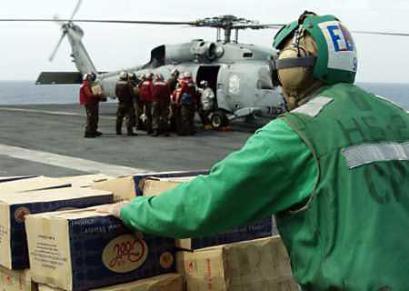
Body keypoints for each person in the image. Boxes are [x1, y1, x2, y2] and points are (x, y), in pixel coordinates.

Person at [100, 12, 409, 289]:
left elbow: (209, 201)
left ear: (292, 69)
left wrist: (132, 211)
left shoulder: (296, 132)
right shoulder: (399, 116)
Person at [79, 72, 102, 138]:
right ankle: (88, 132)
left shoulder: (89, 84)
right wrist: (98, 94)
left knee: (94, 117)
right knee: (91, 118)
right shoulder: (86, 85)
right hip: (90, 103)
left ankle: (93, 131)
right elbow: (89, 95)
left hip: (93, 103)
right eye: (90, 77)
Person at [115, 71, 136, 136]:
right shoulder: (128, 84)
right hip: (128, 103)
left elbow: (116, 93)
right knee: (129, 117)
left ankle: (118, 131)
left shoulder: (117, 84)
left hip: (120, 102)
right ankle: (129, 132)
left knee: (119, 117)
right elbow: (132, 93)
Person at [178, 71, 197, 136]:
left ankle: (185, 131)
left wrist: (178, 100)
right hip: (192, 103)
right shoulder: (193, 84)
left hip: (185, 104)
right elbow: (195, 94)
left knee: (184, 117)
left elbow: (181, 92)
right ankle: (191, 131)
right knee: (191, 117)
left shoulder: (185, 84)